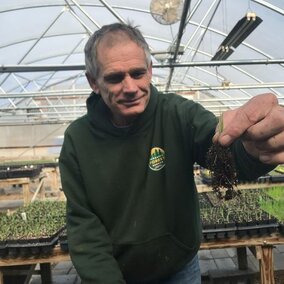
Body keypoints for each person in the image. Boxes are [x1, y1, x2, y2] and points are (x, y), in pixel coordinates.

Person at [59, 22, 284, 283]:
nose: (130, 87)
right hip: (117, 271)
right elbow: (84, 227)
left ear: (150, 70)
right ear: (93, 82)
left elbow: (222, 151)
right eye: (115, 77)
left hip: (179, 266)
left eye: (137, 73)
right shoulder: (78, 140)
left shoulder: (178, 114)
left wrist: (252, 148)